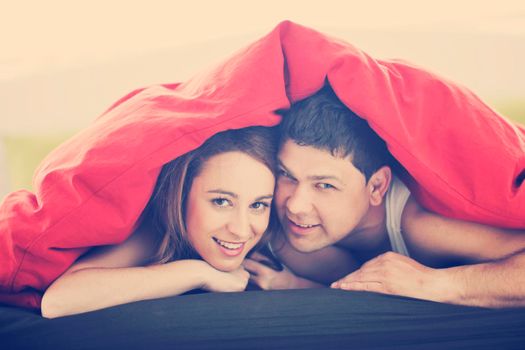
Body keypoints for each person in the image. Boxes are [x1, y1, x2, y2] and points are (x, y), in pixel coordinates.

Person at [244, 84, 525, 308]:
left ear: (377, 187)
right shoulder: (286, 235)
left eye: (325, 185)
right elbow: (355, 282)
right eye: (287, 175)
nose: (295, 205)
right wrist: (295, 286)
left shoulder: (422, 226)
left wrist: (434, 284)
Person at [41, 126, 279, 318]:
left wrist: (288, 282)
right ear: (183, 194)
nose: (240, 229)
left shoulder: (276, 239)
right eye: (221, 201)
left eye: (258, 205)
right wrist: (196, 273)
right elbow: (57, 301)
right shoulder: (154, 233)